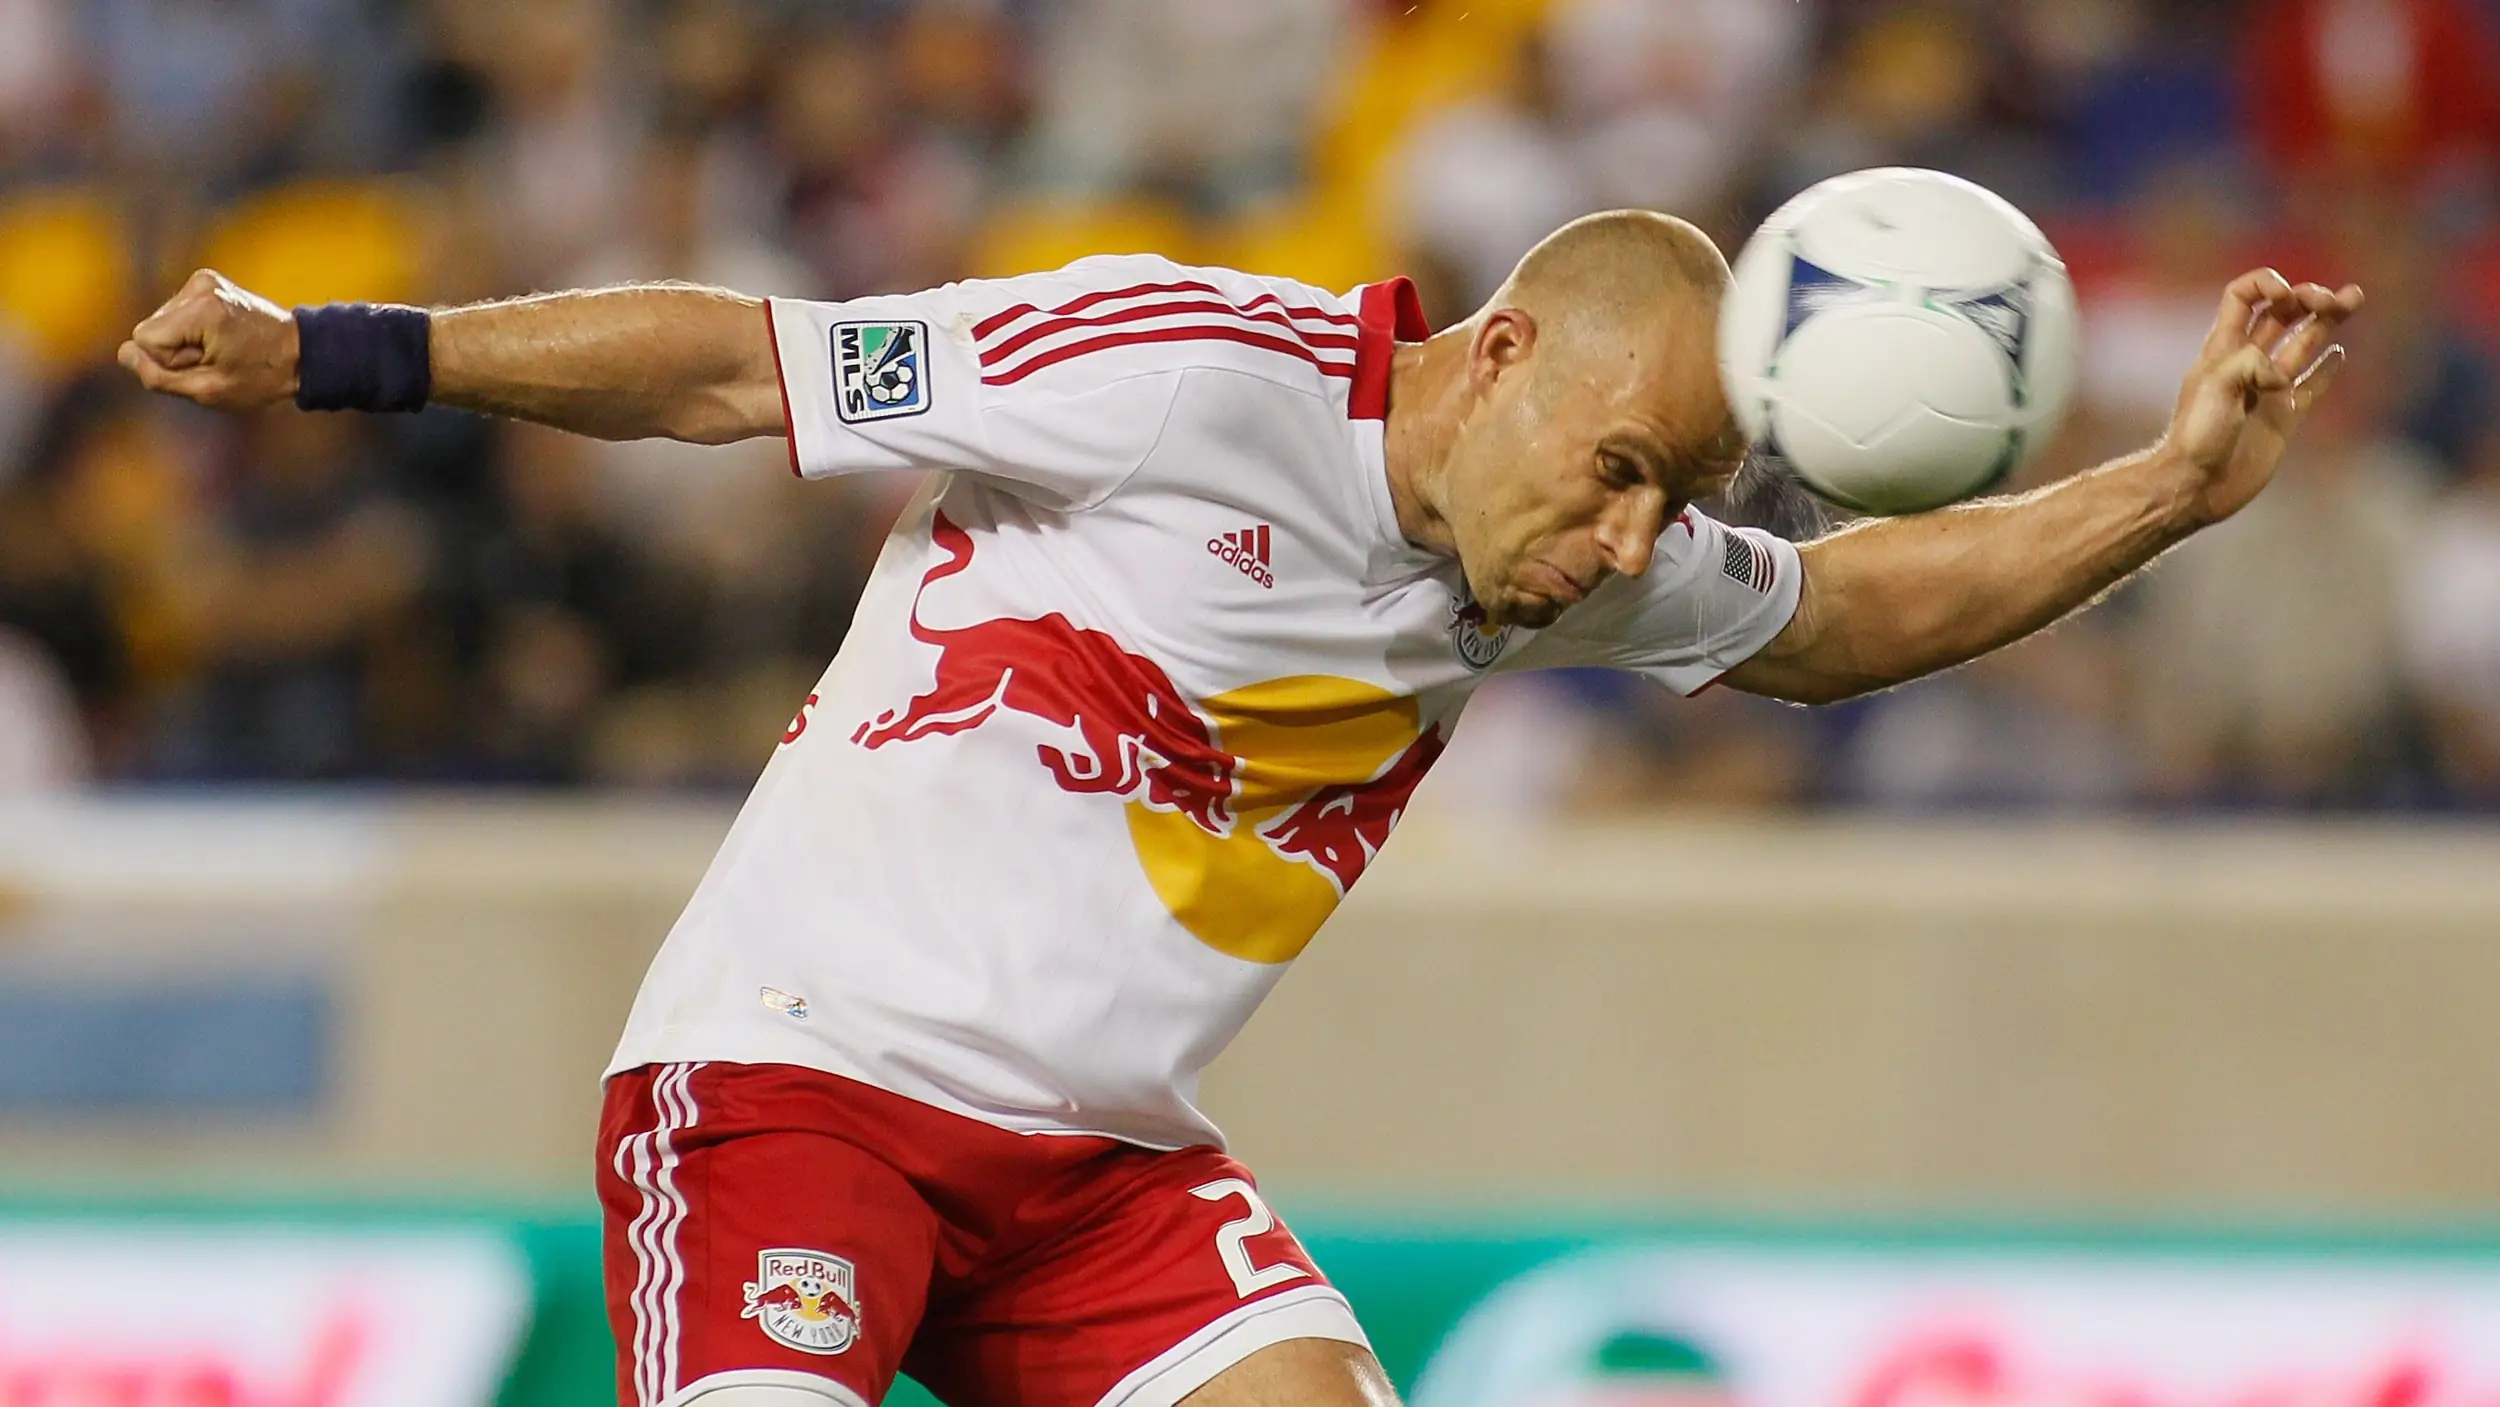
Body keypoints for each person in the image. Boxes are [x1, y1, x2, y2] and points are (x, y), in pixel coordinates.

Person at [117, 211, 2360, 1407]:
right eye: (1613, 472)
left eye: (1669, 500)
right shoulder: (1172, 365)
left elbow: (1845, 613)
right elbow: (746, 361)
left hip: (1098, 1172)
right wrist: (341, 351)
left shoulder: (1550, 555)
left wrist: (2166, 484)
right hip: (796, 1084)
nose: (1624, 543)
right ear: (1499, 353)